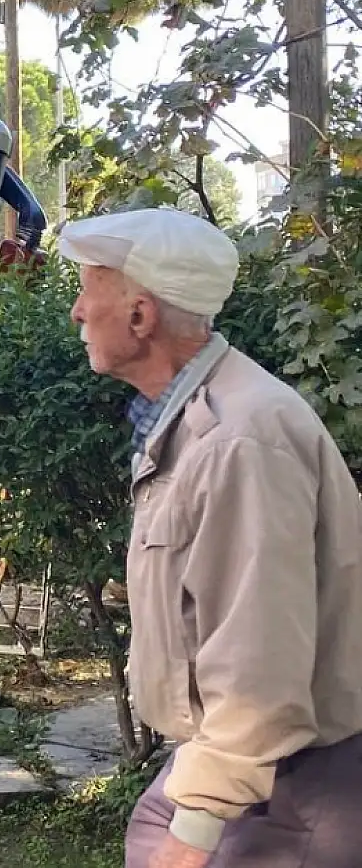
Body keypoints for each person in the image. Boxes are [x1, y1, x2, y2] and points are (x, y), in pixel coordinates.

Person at [59, 207, 362, 867]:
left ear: (141, 317)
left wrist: (191, 837)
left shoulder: (239, 442)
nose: (78, 312)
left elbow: (259, 667)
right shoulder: (198, 416)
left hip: (292, 781)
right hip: (244, 766)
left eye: (89, 290)